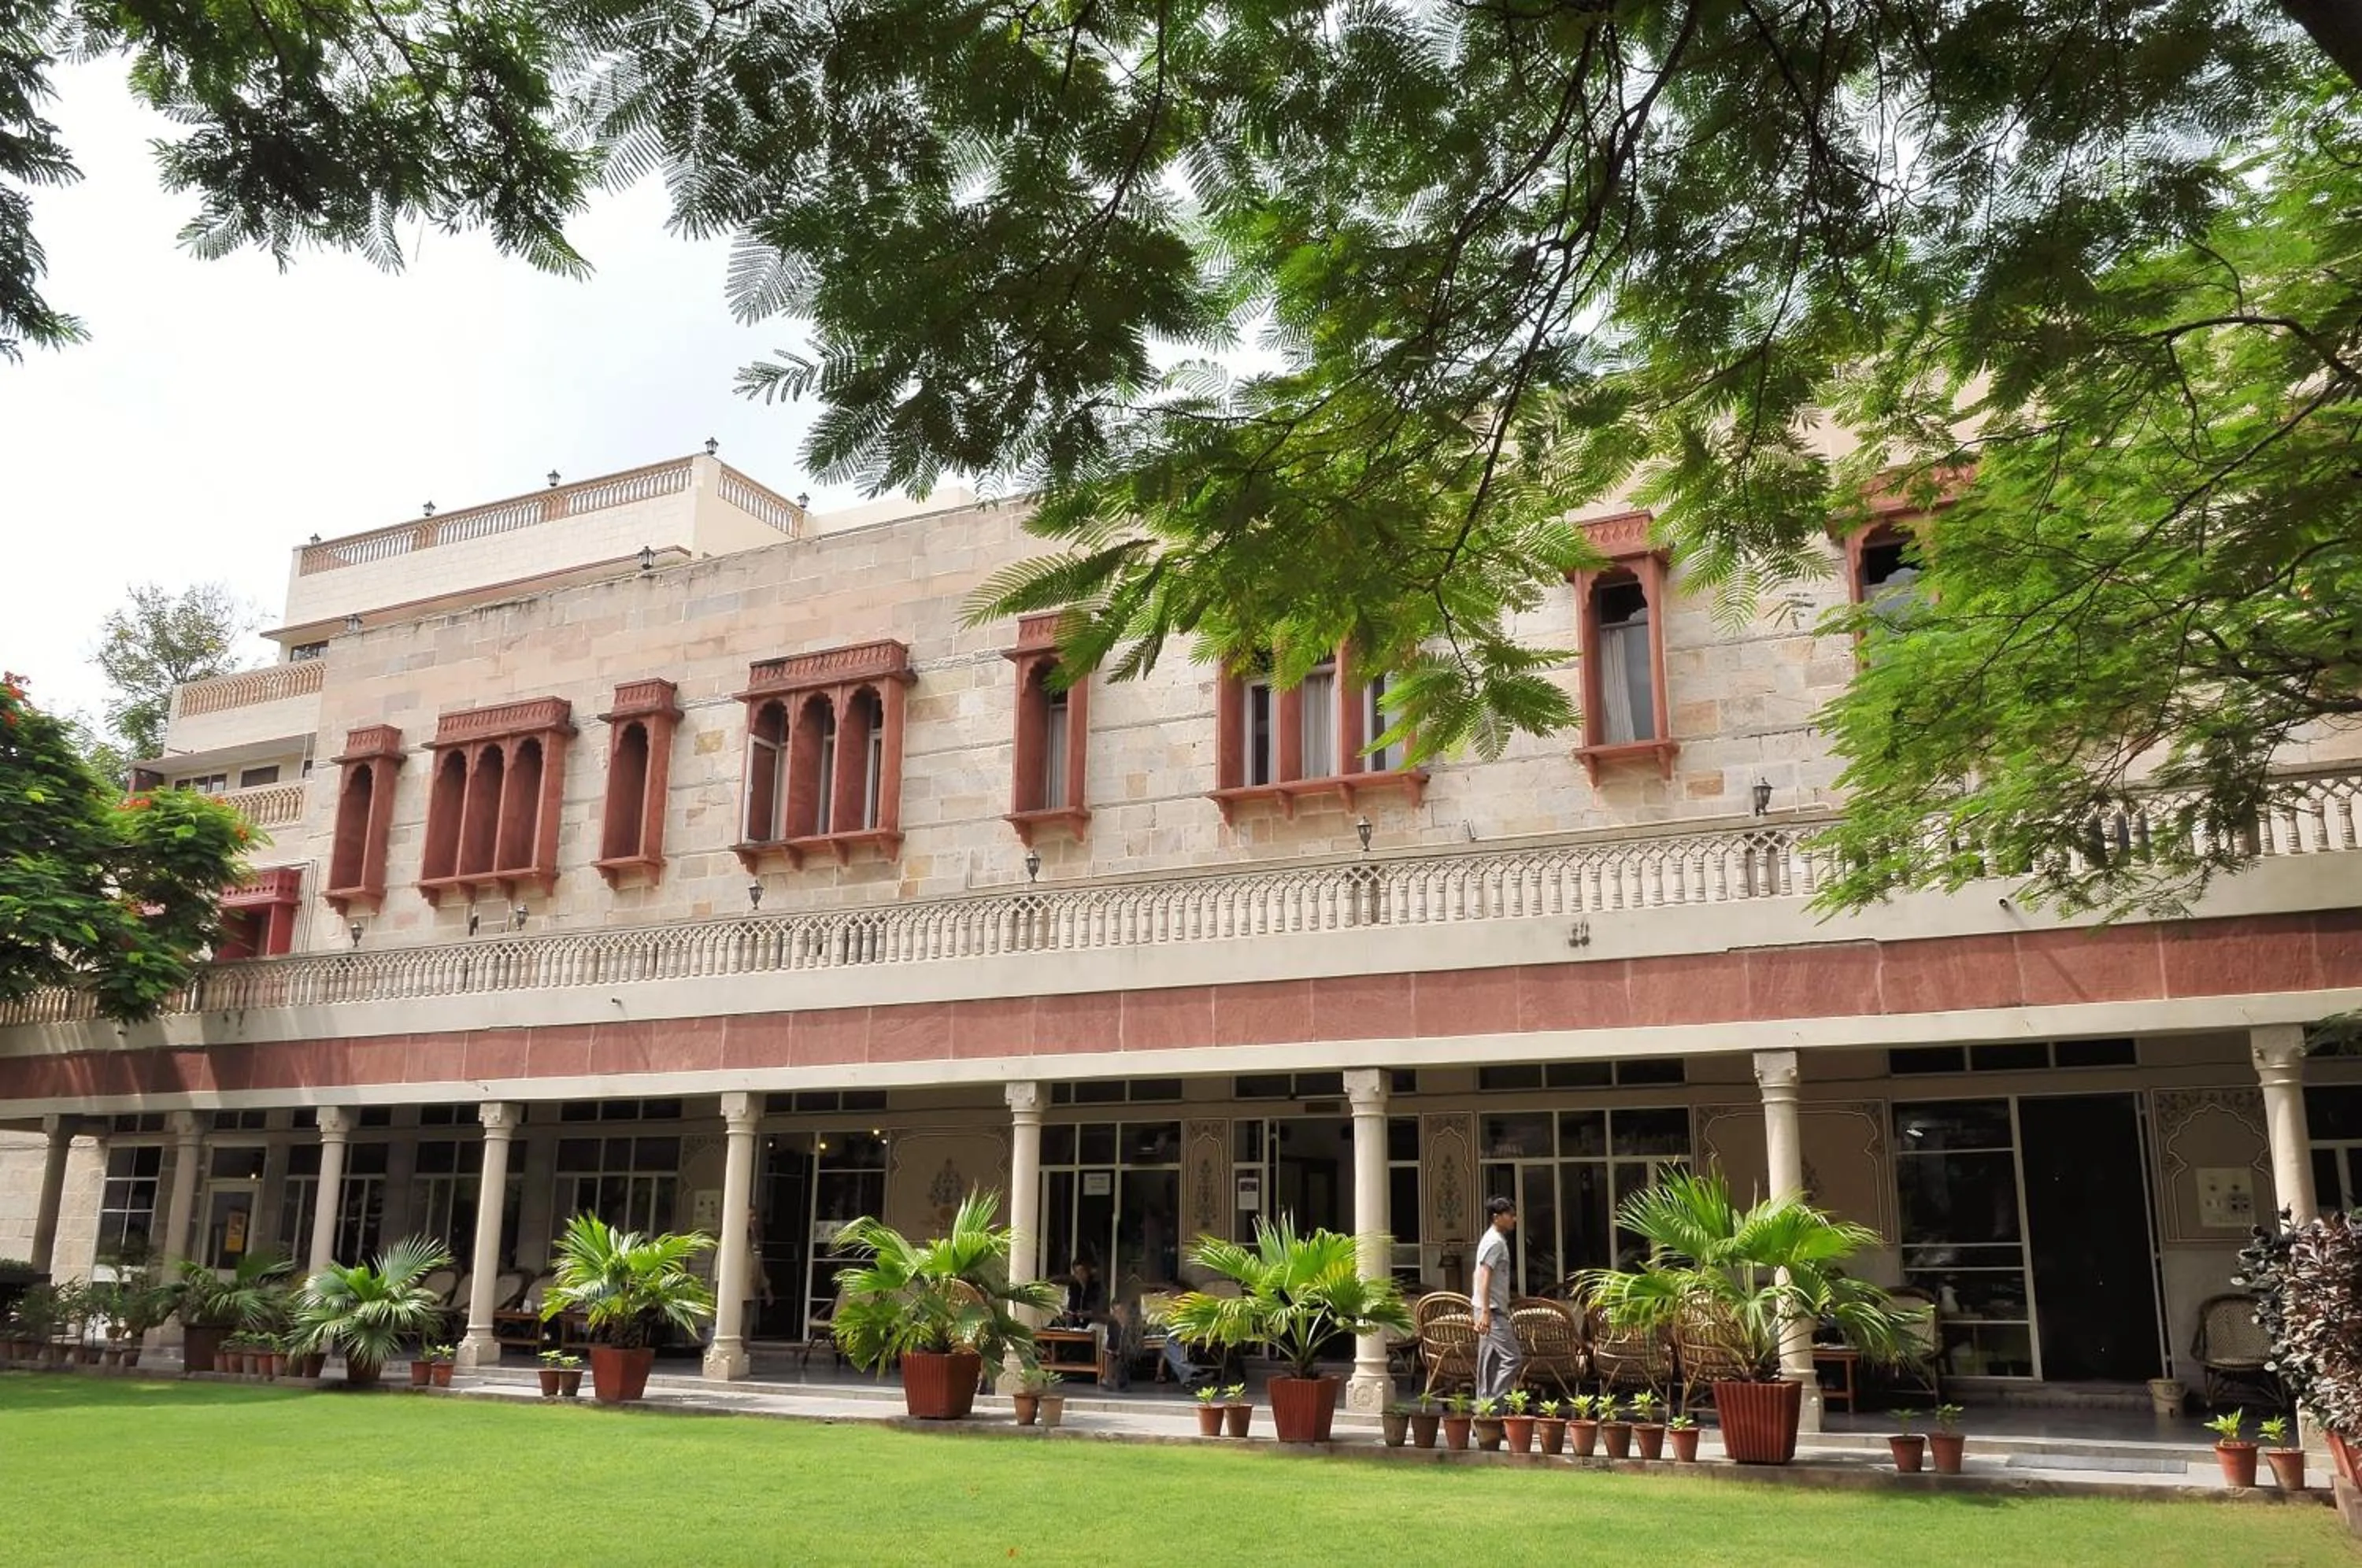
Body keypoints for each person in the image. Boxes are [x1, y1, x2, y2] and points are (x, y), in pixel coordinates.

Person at [1472, 1195, 1522, 1401]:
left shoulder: (1494, 1240)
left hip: (1488, 1308)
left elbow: (1477, 1275)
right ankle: (1492, 1404)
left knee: (1489, 1364)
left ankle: (1484, 1417)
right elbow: (1483, 1275)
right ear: (1496, 1217)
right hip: (1491, 1311)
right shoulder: (1494, 1242)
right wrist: (1484, 1312)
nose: (1514, 1219)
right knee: (1513, 1358)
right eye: (1510, 1215)